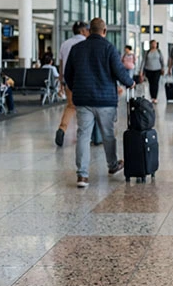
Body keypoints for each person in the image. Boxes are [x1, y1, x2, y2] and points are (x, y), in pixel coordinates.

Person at [64, 18, 134, 188]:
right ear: (104, 31)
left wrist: (77, 88)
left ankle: (82, 176)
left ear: (89, 31)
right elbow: (119, 72)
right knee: (108, 135)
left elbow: (68, 75)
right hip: (105, 101)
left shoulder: (77, 49)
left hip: (83, 100)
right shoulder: (109, 48)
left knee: (83, 135)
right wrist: (129, 82)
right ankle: (113, 165)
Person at [54, 21, 90, 147]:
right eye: (86, 30)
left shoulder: (65, 44)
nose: (88, 32)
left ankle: (62, 129)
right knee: (86, 108)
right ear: (82, 31)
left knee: (71, 106)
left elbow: (61, 65)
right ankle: (83, 134)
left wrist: (61, 82)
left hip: (69, 80)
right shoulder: (86, 43)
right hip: (84, 80)